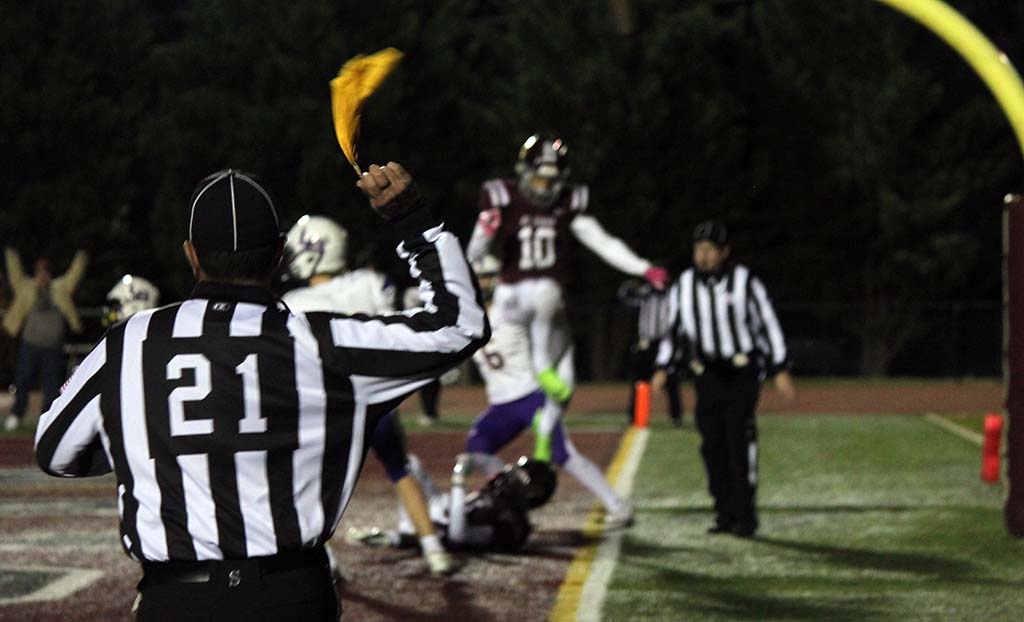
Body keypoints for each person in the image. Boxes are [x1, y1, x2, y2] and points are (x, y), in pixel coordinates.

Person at [34, 163, 488, 621]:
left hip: (177, 599)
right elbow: (460, 325)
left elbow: (55, 451)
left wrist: (161, 436)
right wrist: (413, 219)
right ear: (277, 254)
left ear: (191, 255)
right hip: (291, 594)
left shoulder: (130, 341)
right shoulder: (319, 343)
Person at [465, 133, 668, 486]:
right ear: (523, 172)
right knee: (545, 292)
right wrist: (483, 234)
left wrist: (641, 267)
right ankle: (541, 369)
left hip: (547, 310)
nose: (544, 187)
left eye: (550, 180)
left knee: (566, 382)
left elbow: (601, 241)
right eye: (538, 178)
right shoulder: (502, 197)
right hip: (513, 296)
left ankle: (544, 437)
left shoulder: (567, 204)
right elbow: (472, 258)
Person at [281, 214, 455, 576]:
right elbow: (396, 328)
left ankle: (324, 560)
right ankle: (433, 548)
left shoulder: (293, 301)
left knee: (310, 485)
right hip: (374, 398)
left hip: (323, 406)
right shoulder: (370, 283)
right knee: (399, 469)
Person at [455, 255, 634, 527]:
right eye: (479, 278)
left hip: (532, 396)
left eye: (488, 276)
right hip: (501, 404)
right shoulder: (469, 318)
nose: (483, 283)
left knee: (563, 454)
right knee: (476, 447)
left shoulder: (510, 310)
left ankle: (617, 506)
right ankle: (511, 493)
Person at [653, 221, 795, 538]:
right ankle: (724, 512)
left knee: (738, 442)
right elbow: (672, 331)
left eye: (709, 250)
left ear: (724, 252)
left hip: (741, 372)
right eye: (698, 249)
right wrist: (663, 366)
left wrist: (780, 367)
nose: (702, 256)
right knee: (712, 445)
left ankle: (745, 516)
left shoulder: (745, 282)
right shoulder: (685, 285)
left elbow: (769, 324)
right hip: (707, 374)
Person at [346, 455, 557, 553]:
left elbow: (457, 536)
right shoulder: (503, 503)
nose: (508, 476)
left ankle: (410, 528)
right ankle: (409, 527)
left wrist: (458, 483)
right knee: (409, 462)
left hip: (441, 525)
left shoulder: (512, 525)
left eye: (518, 477)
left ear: (533, 493)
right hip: (441, 510)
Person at [4, 247, 88, 431]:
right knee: (23, 380)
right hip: (30, 344)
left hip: (52, 347)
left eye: (46, 270)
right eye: (39, 270)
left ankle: (48, 418)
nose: (43, 274)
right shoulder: (27, 288)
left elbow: (75, 273)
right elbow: (15, 274)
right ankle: (17, 414)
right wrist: (11, 253)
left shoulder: (60, 289)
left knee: (51, 385)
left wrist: (82, 255)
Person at [618, 278, 682, 426]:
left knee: (671, 380)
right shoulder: (645, 293)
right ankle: (636, 416)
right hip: (646, 342)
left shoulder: (673, 295)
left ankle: (676, 416)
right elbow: (624, 296)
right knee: (639, 380)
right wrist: (631, 285)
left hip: (666, 342)